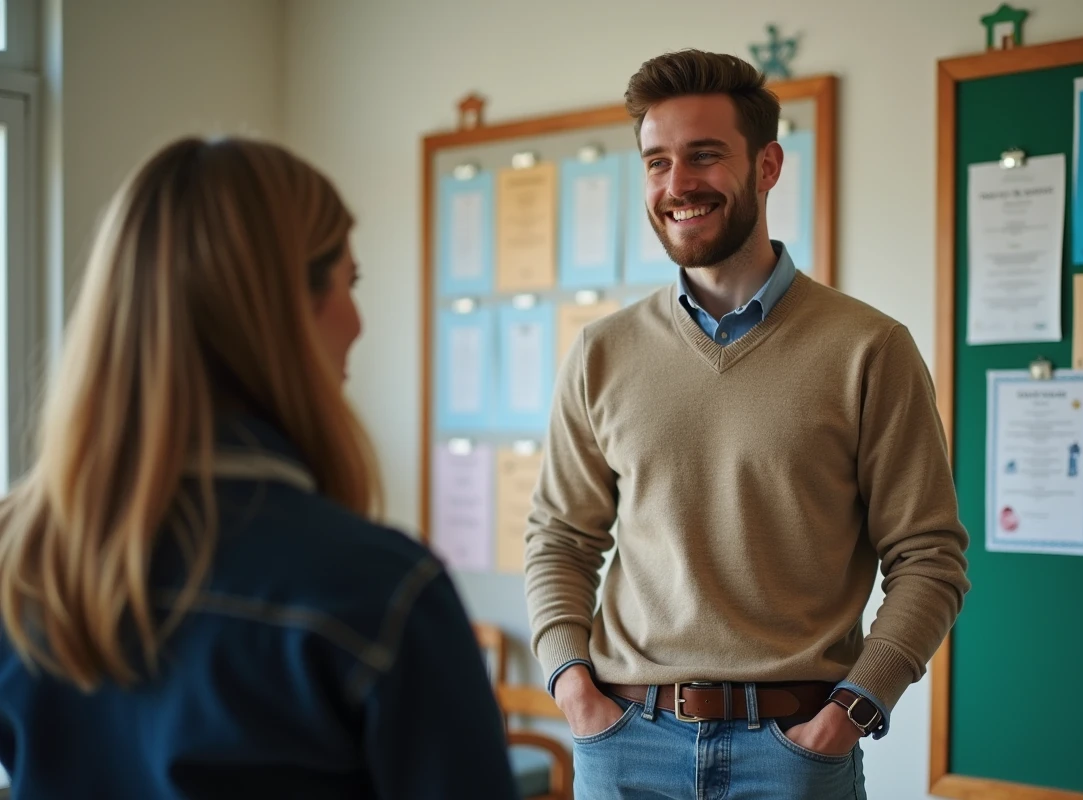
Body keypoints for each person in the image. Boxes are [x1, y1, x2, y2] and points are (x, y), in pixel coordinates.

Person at [0, 137, 517, 800]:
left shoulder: (19, 560)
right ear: (279, 313)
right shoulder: (378, 591)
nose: (358, 321)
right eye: (347, 283)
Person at [524, 50, 970, 799]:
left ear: (767, 167)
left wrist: (853, 709)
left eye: (703, 156)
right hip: (624, 745)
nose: (676, 185)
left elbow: (929, 556)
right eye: (657, 161)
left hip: (794, 751)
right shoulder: (602, 353)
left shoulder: (868, 348)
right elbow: (560, 541)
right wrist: (573, 684)